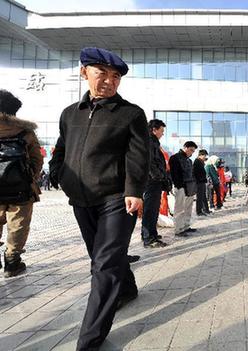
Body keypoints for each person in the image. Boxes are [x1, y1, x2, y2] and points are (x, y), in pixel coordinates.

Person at [48, 47, 149, 351]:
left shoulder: (131, 113)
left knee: (103, 266)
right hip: (81, 198)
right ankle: (127, 288)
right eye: (101, 73)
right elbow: (62, 148)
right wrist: (58, 172)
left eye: (115, 76)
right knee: (101, 256)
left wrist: (134, 191)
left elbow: (138, 156)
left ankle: (89, 341)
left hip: (117, 198)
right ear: (84, 73)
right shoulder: (70, 113)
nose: (109, 80)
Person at [0, 89, 43, 277]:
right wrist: (29, 176)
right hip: (21, 188)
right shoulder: (25, 132)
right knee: (18, 223)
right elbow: (36, 159)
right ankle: (12, 262)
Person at [141, 119, 171, 248]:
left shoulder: (153, 142)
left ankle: (151, 234)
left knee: (153, 209)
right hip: (152, 181)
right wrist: (158, 176)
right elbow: (150, 162)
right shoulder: (149, 142)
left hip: (154, 181)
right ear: (154, 129)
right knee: (150, 209)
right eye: (161, 131)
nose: (162, 134)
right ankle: (149, 239)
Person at [169, 141, 198, 236]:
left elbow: (192, 174)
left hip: (190, 187)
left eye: (193, 151)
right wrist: (178, 186)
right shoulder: (175, 158)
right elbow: (173, 174)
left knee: (188, 208)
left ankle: (186, 226)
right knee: (179, 208)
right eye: (191, 150)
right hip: (180, 186)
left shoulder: (189, 160)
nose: (192, 153)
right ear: (185, 147)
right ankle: (178, 229)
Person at [193, 149, 211, 216]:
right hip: (199, 182)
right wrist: (200, 179)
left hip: (202, 181)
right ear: (201, 155)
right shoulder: (197, 162)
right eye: (204, 155)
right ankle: (199, 211)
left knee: (203, 197)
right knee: (200, 197)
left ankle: (206, 209)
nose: (205, 157)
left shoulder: (200, 161)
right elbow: (196, 173)